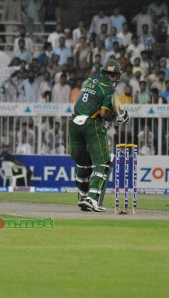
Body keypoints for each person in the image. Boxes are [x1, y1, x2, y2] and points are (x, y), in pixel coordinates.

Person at [69, 59, 129, 212]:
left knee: (82, 164)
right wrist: (117, 118)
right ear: (115, 76)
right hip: (91, 124)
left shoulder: (90, 81)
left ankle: (82, 197)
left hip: (74, 122)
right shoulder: (109, 87)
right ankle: (91, 199)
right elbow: (103, 113)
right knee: (103, 161)